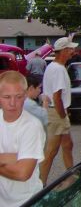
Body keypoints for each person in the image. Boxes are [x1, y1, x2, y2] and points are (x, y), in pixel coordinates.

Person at [0, 71, 46, 206]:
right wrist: (17, 157)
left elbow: (22, 173)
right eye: (7, 97)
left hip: (27, 201)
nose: (13, 103)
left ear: (26, 95)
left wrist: (21, 160)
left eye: (18, 97)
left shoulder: (32, 126)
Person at [39, 36, 77, 186]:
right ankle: (40, 184)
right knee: (51, 151)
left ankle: (72, 177)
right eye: (70, 49)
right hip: (57, 113)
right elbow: (57, 96)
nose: (73, 52)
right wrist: (63, 114)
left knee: (68, 145)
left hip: (56, 111)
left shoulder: (54, 67)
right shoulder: (59, 70)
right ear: (63, 51)